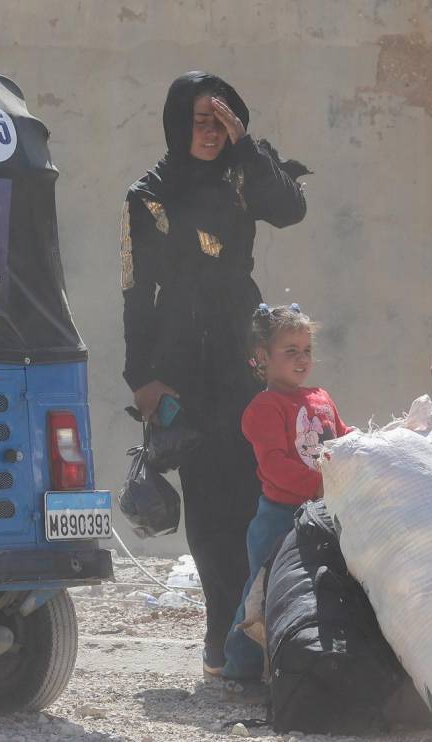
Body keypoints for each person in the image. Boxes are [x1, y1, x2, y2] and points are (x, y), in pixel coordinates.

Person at [119, 72, 309, 676]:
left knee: (260, 492)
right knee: (208, 505)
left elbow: (290, 209)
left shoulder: (244, 172)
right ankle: (221, 637)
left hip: (244, 353)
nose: (209, 131)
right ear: (178, 123)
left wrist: (245, 143)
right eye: (199, 119)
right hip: (183, 365)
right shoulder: (148, 194)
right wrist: (141, 377)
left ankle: (261, 633)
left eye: (219, 119)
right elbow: (134, 290)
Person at [222, 303, 348, 682]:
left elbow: (343, 439)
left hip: (323, 511)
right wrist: (324, 483)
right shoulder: (264, 407)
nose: (301, 358)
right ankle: (239, 667)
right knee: (262, 591)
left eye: (306, 350)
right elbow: (275, 467)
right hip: (280, 516)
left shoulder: (321, 398)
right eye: (290, 351)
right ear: (262, 357)